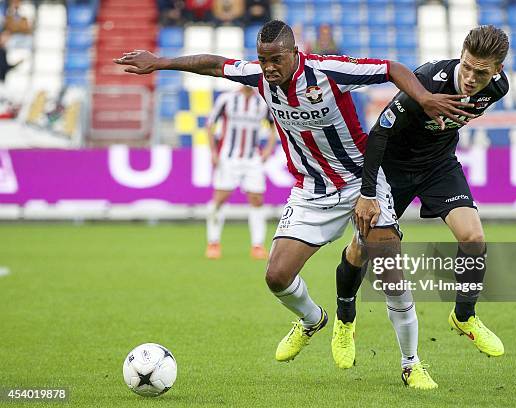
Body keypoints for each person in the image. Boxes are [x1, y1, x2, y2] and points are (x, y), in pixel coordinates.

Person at [114, 19, 473, 389]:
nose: (268, 67)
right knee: (276, 276)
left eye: (276, 59)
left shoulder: (329, 71)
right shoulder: (257, 77)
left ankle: (411, 363)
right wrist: (159, 61)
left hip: (359, 183)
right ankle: (312, 319)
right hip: (310, 191)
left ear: (294, 53)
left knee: (390, 274)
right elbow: (213, 64)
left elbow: (392, 69)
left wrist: (424, 98)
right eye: (262, 59)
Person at [350, 25, 509, 360]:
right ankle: (344, 318)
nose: (470, 77)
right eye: (466, 66)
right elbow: (379, 133)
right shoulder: (426, 82)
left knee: (474, 238)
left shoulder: (497, 89)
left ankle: (464, 317)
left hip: (438, 166)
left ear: (498, 71)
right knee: (360, 250)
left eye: (481, 73)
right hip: (392, 169)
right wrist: (368, 192)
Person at [205, 85, 277, 260]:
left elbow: (275, 125)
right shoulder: (227, 98)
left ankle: (257, 245)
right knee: (220, 198)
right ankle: (213, 242)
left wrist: (268, 149)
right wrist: (213, 151)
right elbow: (210, 125)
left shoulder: (262, 101)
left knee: (257, 199)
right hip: (228, 157)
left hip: (252, 158)